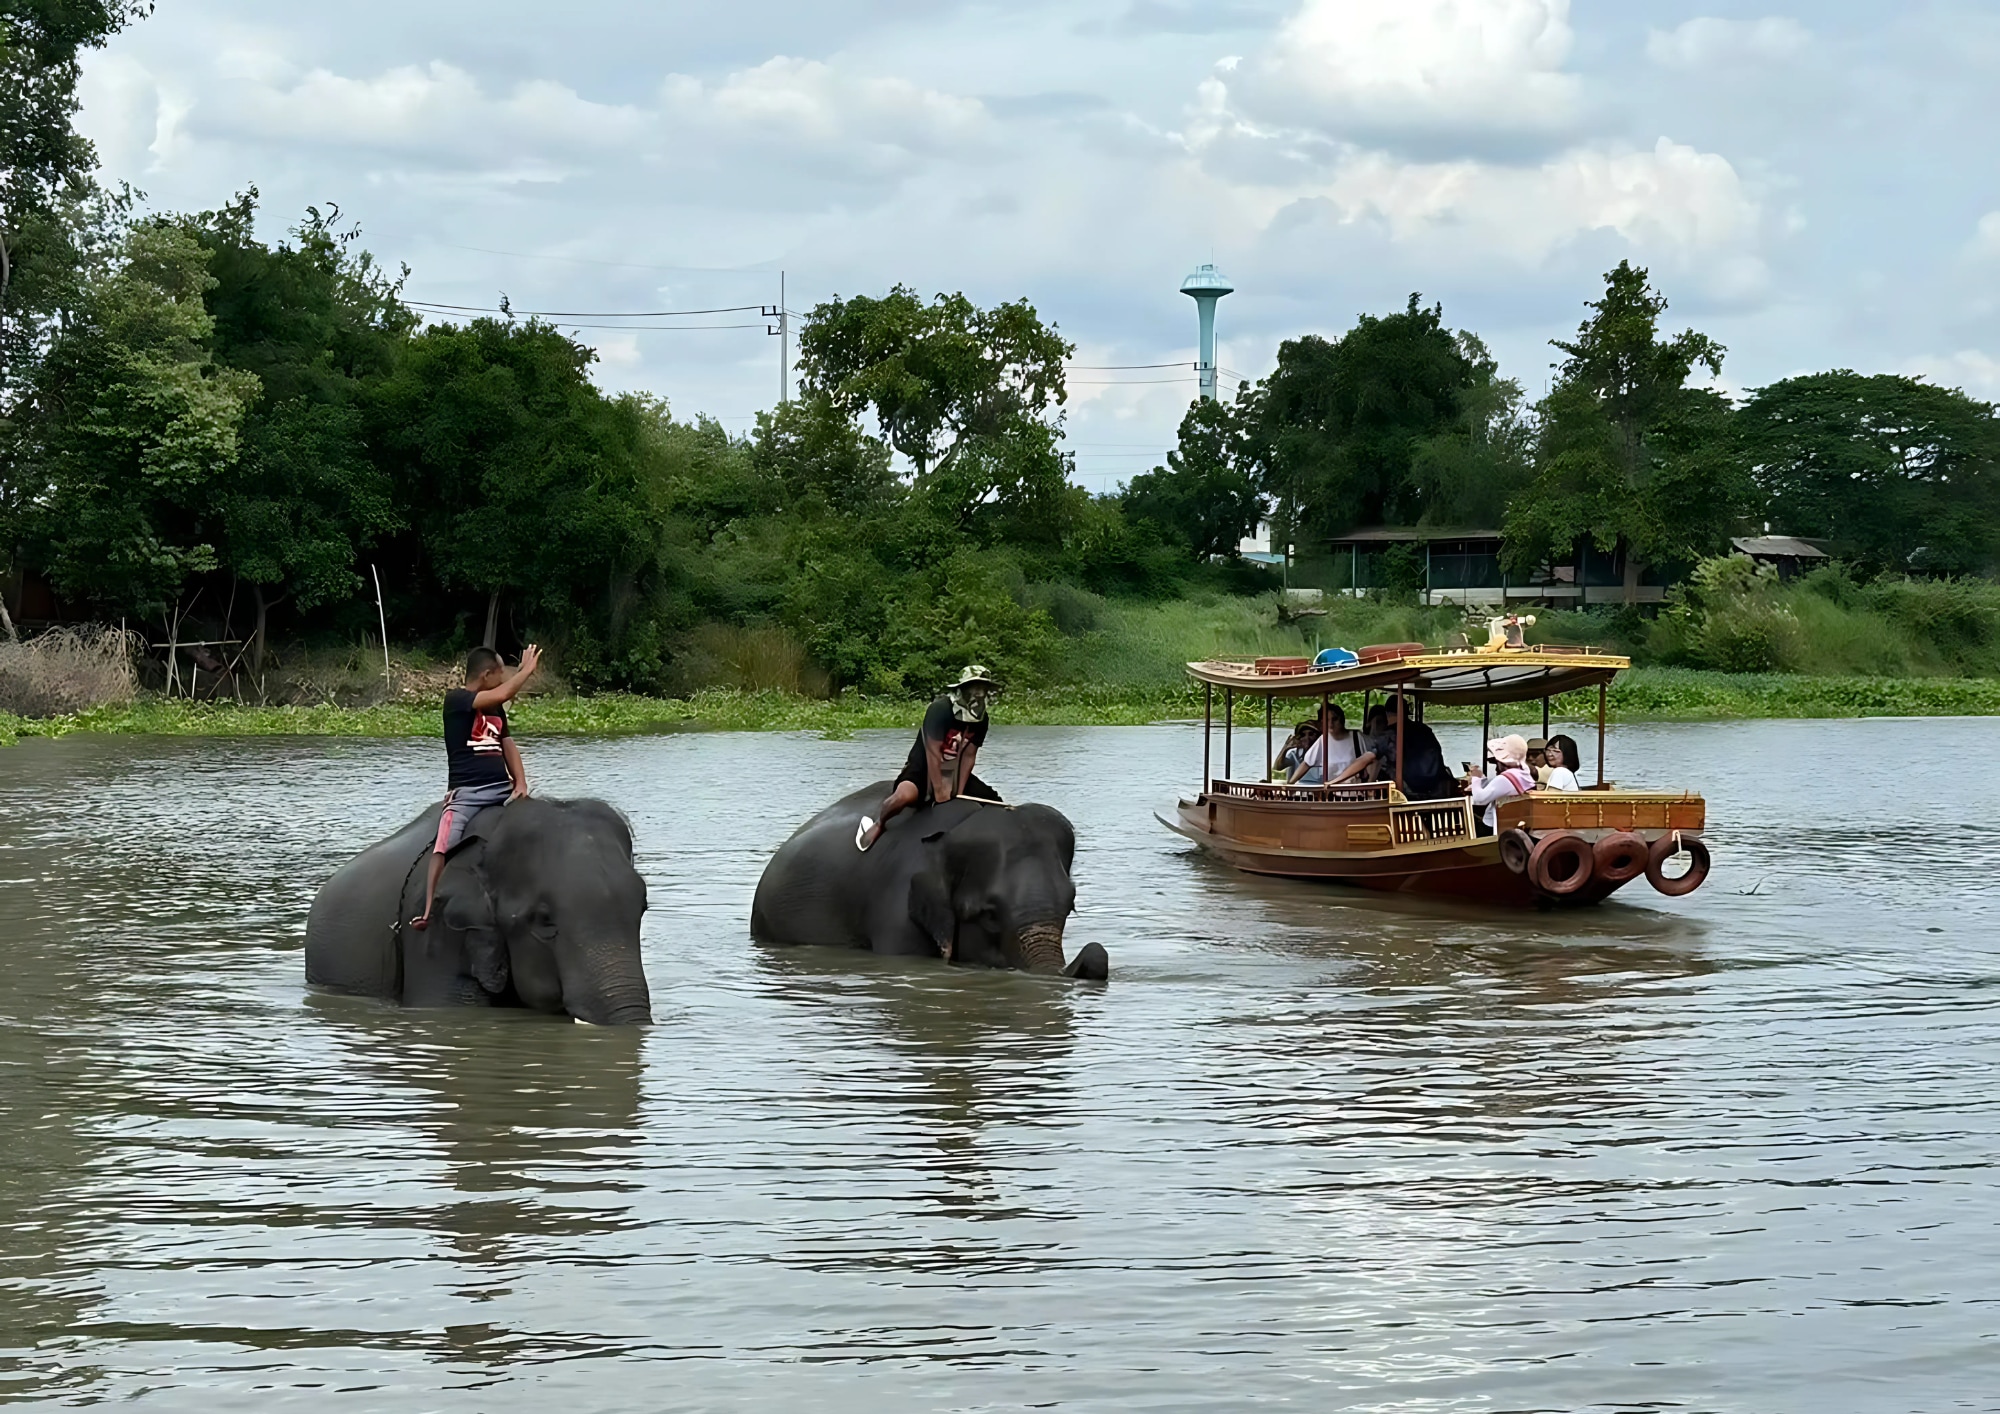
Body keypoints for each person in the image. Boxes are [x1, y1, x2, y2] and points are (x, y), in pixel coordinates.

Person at [411, 643, 540, 930]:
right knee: (444, 845)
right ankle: (428, 909)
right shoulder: (457, 700)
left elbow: (507, 744)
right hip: (467, 794)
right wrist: (526, 672)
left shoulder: (495, 709)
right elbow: (506, 692)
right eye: (499, 674)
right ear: (485, 676)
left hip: (500, 788)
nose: (503, 681)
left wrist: (520, 782)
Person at [857, 666, 1001, 851]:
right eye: (975, 687)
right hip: (924, 768)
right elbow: (932, 753)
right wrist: (941, 795)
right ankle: (879, 823)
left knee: (995, 801)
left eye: (983, 688)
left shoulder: (982, 720)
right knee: (902, 797)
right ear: (963, 688)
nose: (979, 693)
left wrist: (958, 791)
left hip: (952, 771)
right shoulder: (940, 710)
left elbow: (968, 756)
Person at [1328, 695, 1455, 799]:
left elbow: (1365, 759)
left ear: (1387, 714)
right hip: (1438, 787)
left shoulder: (1388, 735)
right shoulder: (1425, 730)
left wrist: (1335, 781)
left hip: (1410, 792)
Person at [1463, 734, 1535, 835]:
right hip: (1514, 823)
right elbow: (1494, 790)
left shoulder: (1506, 778)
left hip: (1493, 826)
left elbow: (1480, 800)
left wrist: (1476, 778)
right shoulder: (1523, 774)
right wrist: (1481, 779)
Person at [1288, 705, 1360, 785]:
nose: (1331, 724)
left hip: (1356, 792)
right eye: (1327, 720)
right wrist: (1290, 784)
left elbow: (1373, 758)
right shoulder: (1324, 739)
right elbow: (1307, 763)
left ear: (1342, 719)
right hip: (1332, 791)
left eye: (1335, 719)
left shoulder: (1357, 737)